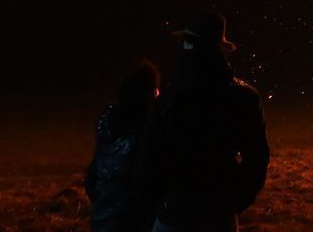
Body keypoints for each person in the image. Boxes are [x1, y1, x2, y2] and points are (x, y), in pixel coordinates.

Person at [140, 13, 270, 232]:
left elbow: (147, 157)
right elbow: (257, 157)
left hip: (179, 211)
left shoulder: (170, 99)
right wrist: (236, 200)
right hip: (212, 210)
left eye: (188, 43)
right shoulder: (242, 96)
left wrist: (158, 203)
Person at [86, 61, 159, 232]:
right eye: (156, 89)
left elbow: (91, 178)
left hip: (102, 223)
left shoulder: (108, 126)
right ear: (148, 94)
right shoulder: (145, 132)